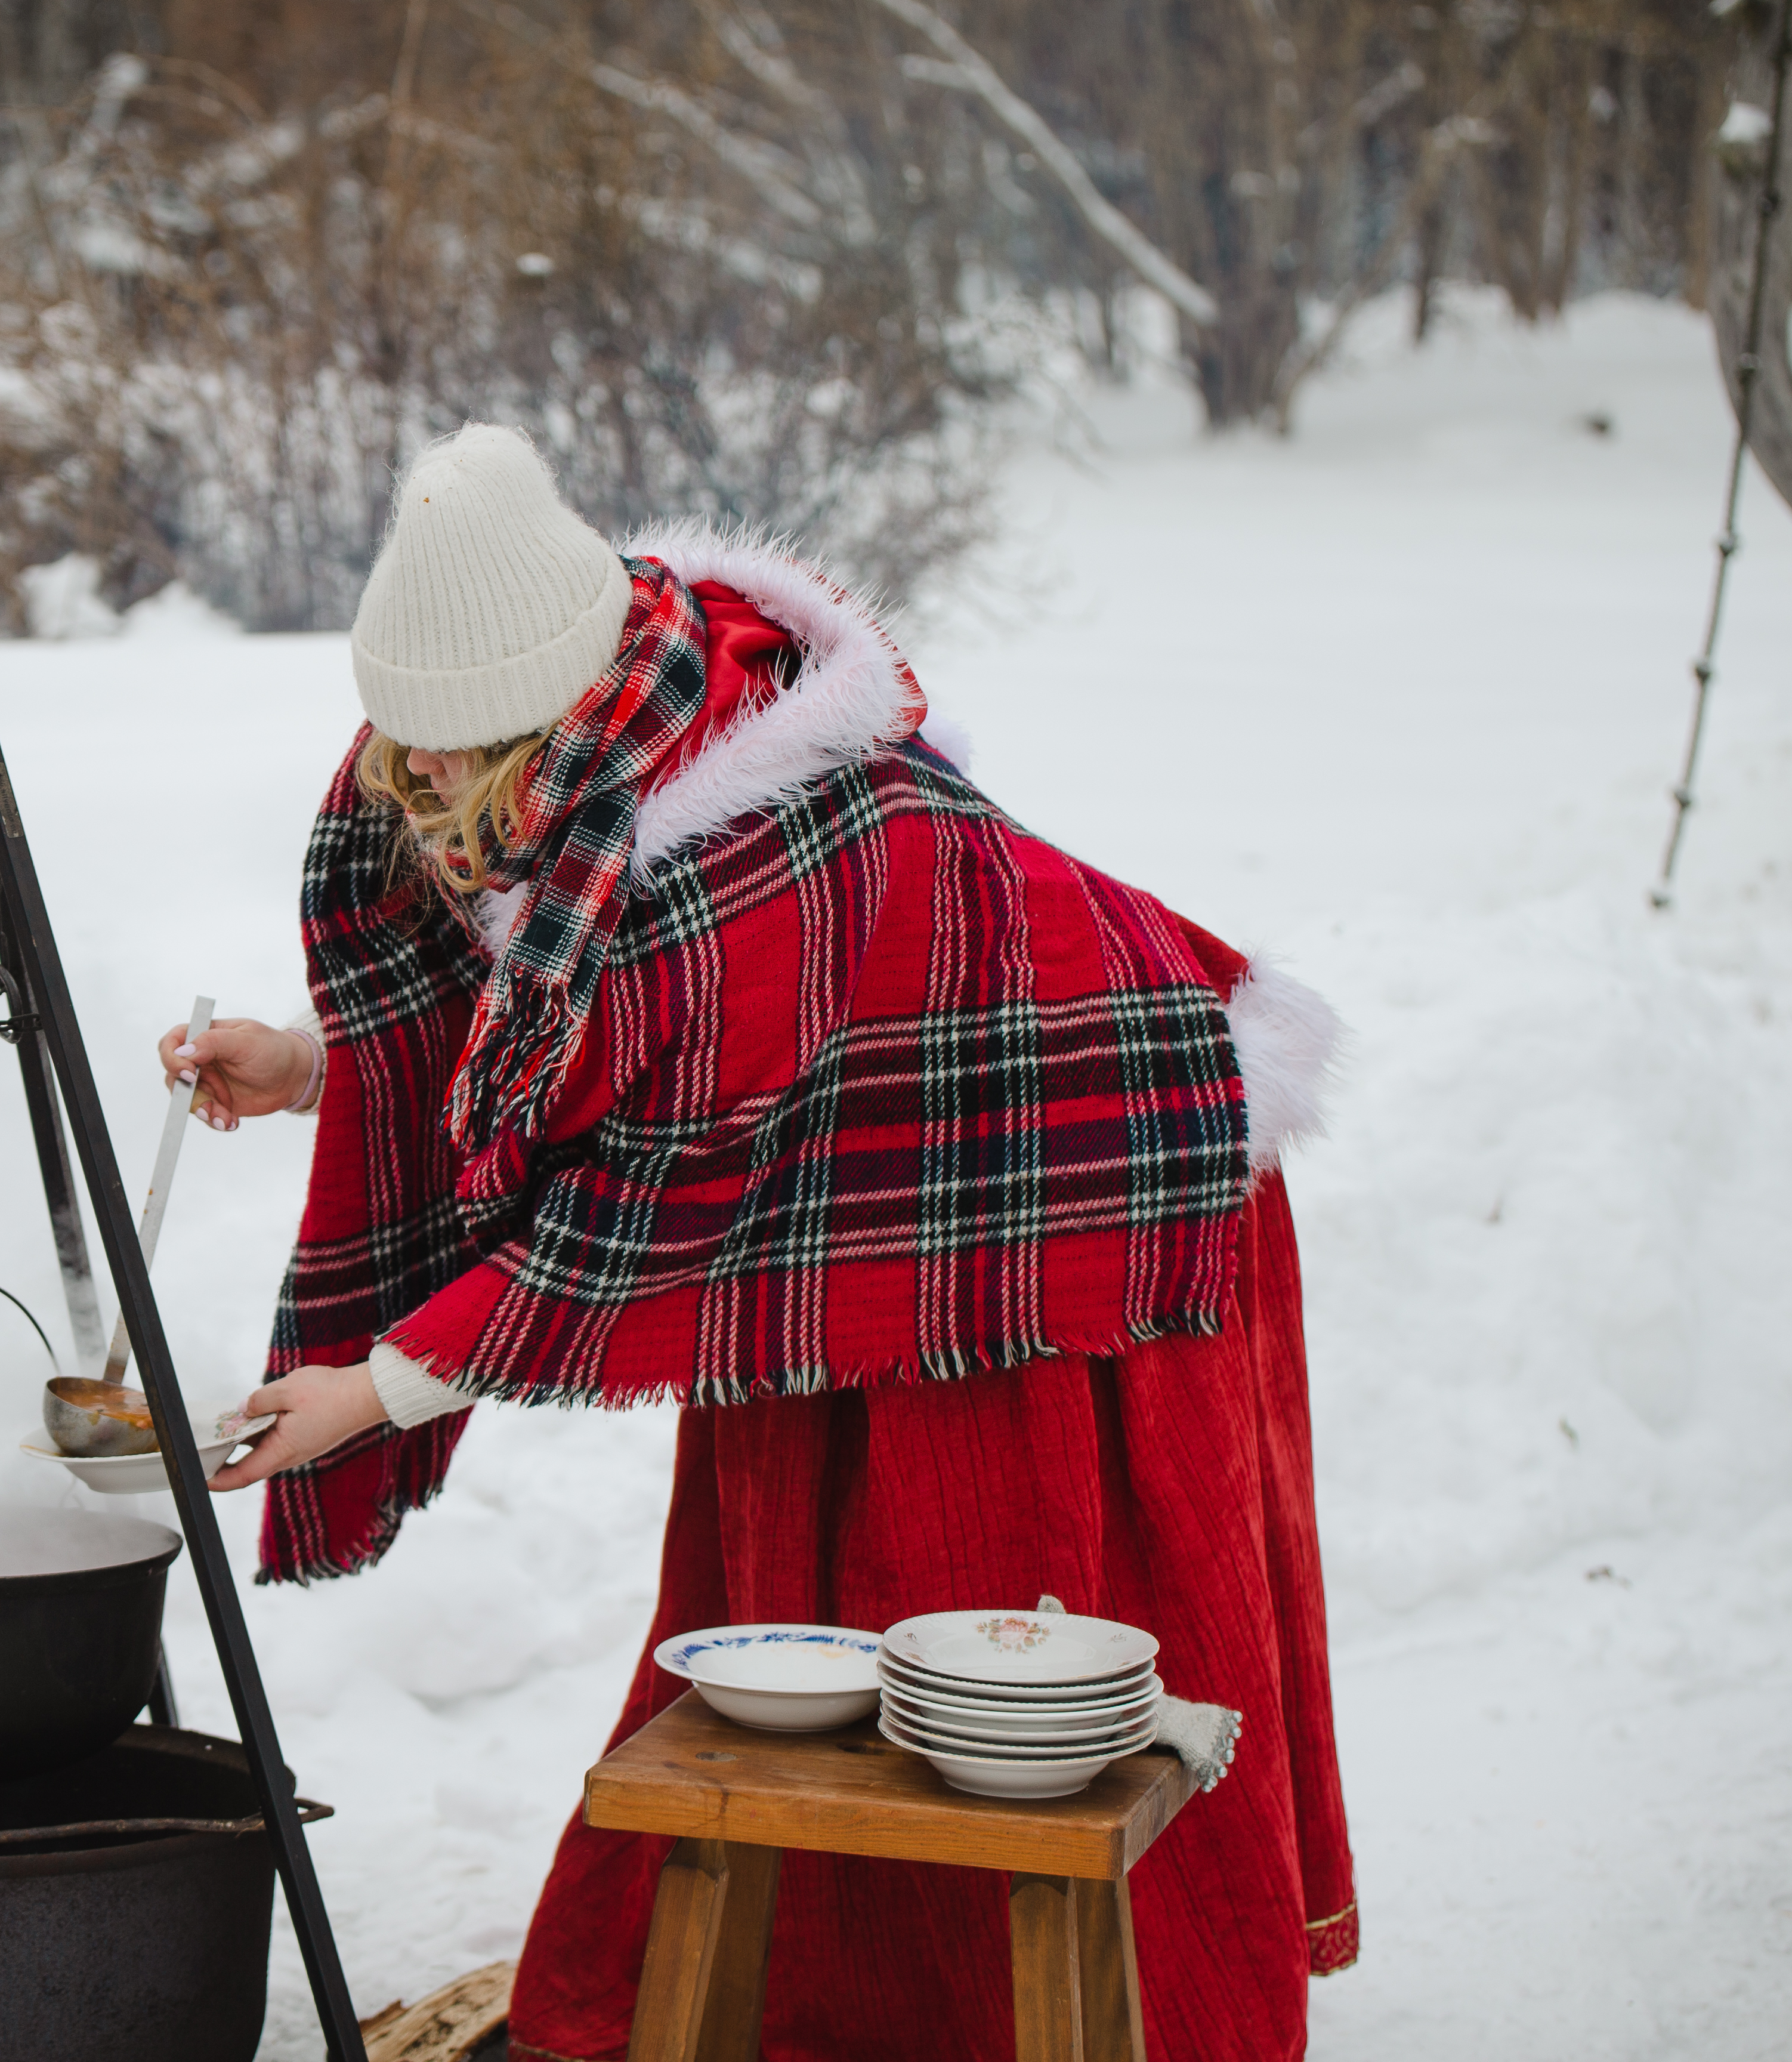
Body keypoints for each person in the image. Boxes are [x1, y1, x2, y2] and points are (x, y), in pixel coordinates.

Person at [159, 424, 1354, 2061]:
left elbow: (641, 1205)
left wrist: (372, 1390)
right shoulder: (562, 741)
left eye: (452, 765)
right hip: (839, 1193)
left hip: (1075, 1179)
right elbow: (559, 1027)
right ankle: (822, 2002)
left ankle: (1020, 2018)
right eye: (406, 757)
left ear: (546, 706)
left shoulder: (733, 864)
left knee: (1002, 1651)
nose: (425, 794)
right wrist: (317, 1069)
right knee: (807, 1615)